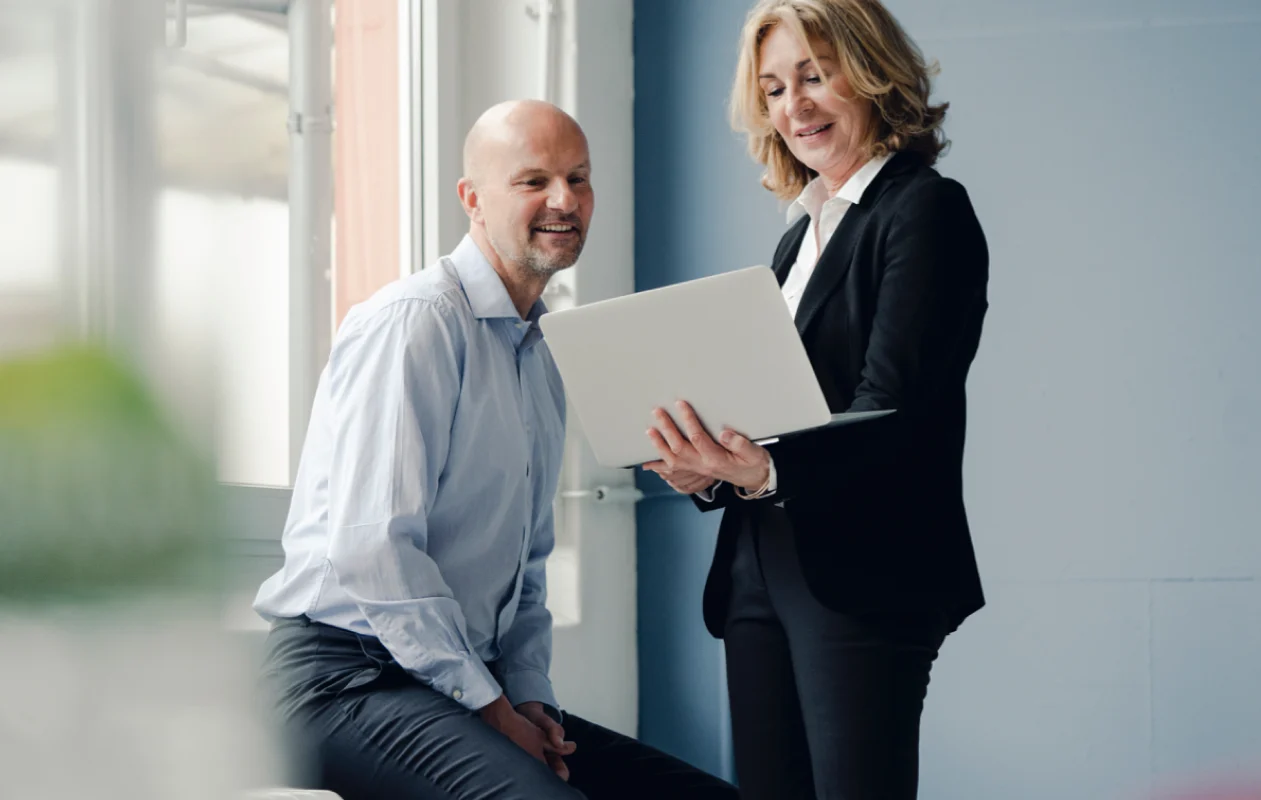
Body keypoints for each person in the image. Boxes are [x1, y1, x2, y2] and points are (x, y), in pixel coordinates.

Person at [254, 99, 738, 800]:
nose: (564, 200)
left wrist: (531, 699)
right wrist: (489, 708)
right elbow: (371, 551)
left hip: (456, 679)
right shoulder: (415, 322)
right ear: (472, 199)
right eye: (533, 180)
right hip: (340, 680)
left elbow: (526, 571)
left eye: (579, 178)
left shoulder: (540, 356)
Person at [641, 1, 988, 798]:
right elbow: (776, 413)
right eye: (771, 89)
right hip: (759, 565)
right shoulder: (799, 236)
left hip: (866, 567)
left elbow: (894, 408)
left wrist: (762, 471)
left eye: (814, 75)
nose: (792, 106)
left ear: (870, 74)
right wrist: (712, 469)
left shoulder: (925, 211)